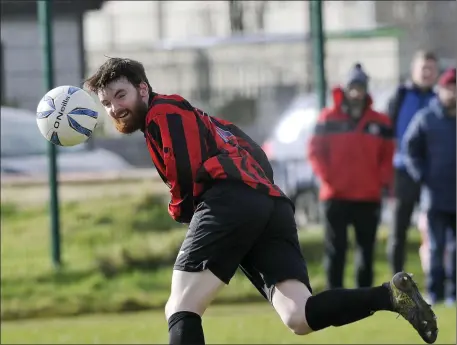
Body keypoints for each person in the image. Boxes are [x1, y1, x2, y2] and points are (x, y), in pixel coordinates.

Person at [84, 57, 438, 345]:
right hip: (270, 204)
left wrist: (180, 206)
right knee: (298, 315)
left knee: (181, 305)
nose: (115, 108)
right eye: (107, 103)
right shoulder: (202, 117)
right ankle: (390, 297)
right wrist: (255, 196)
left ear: (142, 89)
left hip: (229, 202)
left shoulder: (163, 111)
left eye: (120, 95)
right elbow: (254, 152)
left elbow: (186, 172)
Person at [307, 63, 394, 290]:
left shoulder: (380, 122)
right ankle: (334, 297)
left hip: (368, 196)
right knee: (336, 249)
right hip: (335, 195)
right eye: (353, 87)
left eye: (361, 87)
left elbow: (388, 155)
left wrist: (381, 181)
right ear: (345, 89)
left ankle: (363, 298)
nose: (356, 92)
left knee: (366, 251)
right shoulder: (327, 118)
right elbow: (315, 152)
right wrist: (328, 177)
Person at [403, 67, 456, 306]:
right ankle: (435, 292)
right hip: (434, 196)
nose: (452, 93)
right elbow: (410, 149)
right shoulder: (426, 118)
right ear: (440, 90)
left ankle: (453, 293)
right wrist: (423, 175)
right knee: (435, 247)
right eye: (449, 88)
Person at [387, 50, 439, 275]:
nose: (427, 73)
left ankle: (439, 281)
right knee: (399, 230)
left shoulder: (441, 99)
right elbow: (387, 132)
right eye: (423, 68)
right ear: (414, 70)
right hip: (402, 172)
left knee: (437, 229)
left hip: (434, 174)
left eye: (431, 69)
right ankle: (397, 283)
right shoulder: (400, 96)